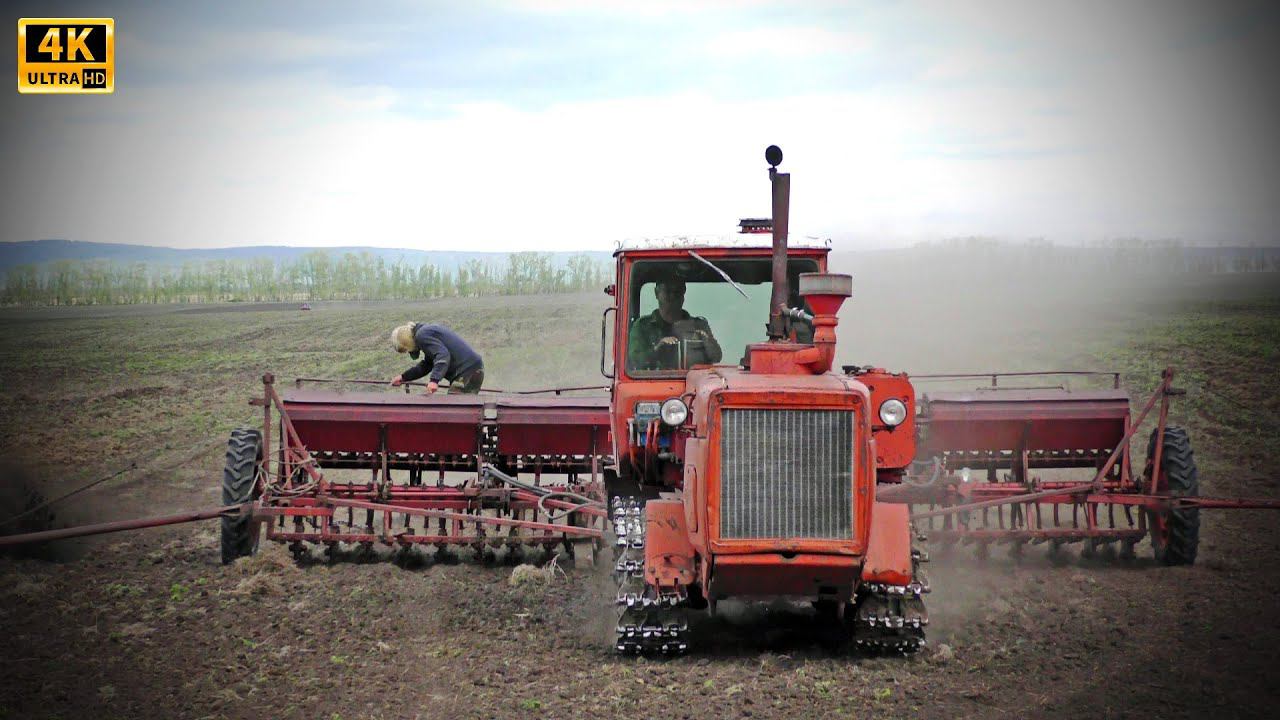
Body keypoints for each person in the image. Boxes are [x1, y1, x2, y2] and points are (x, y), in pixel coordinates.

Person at [627, 278, 722, 371]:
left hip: (695, 383)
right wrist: (657, 349)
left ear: (683, 295)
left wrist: (707, 342)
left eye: (677, 292)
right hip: (653, 384)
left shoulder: (699, 326)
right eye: (667, 291)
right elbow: (634, 362)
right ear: (656, 293)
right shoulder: (642, 327)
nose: (672, 296)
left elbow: (717, 357)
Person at [389, 322, 485, 394]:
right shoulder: (426, 332)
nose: (409, 352)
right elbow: (427, 365)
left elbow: (442, 355)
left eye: (406, 350)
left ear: (407, 343)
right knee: (463, 410)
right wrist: (404, 377)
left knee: (455, 410)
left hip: (467, 371)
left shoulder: (422, 335)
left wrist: (434, 381)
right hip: (473, 369)